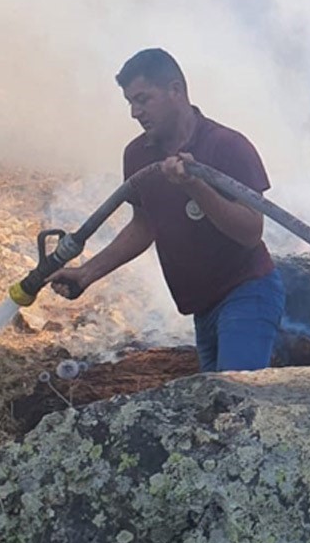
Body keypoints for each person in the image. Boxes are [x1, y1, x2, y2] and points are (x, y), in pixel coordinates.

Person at [48, 48, 286, 371]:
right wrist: (86, 273)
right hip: (203, 307)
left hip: (247, 292)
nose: (135, 112)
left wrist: (196, 186)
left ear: (175, 90)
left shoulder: (227, 145)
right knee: (218, 407)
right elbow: (143, 227)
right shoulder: (137, 155)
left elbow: (250, 232)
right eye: (130, 102)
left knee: (234, 403)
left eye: (143, 99)